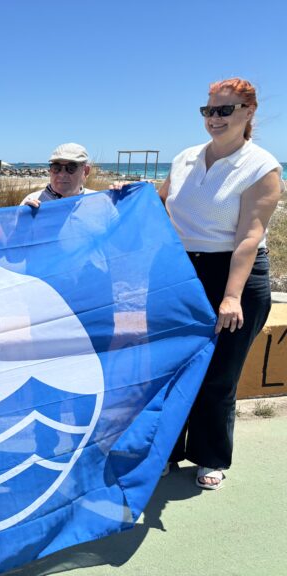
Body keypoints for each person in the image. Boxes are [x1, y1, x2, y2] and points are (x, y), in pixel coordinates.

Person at [159, 78, 282, 489]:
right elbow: (159, 202)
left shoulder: (261, 167)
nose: (214, 118)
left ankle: (210, 456)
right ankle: (168, 452)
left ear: (248, 112)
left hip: (237, 276)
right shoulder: (185, 158)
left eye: (224, 110)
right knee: (175, 368)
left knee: (218, 375)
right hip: (183, 273)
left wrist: (231, 296)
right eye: (208, 110)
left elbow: (249, 237)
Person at [20, 143, 95, 207]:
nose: (62, 174)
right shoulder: (33, 201)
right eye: (56, 168)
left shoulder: (97, 201)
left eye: (71, 168)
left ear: (86, 171)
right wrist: (24, 218)